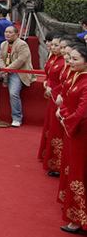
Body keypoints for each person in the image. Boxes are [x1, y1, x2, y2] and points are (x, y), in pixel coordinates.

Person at [57, 46, 87, 234]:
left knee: (79, 172)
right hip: (73, 130)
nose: (70, 61)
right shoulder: (78, 76)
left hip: (81, 133)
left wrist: (66, 119)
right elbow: (69, 100)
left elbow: (83, 110)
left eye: (75, 59)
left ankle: (78, 218)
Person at [39, 34, 66, 176]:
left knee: (57, 131)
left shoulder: (65, 62)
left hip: (58, 97)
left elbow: (65, 83)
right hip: (52, 94)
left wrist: (53, 90)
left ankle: (57, 163)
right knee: (50, 126)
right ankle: (48, 156)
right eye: (52, 44)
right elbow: (49, 75)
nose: (53, 47)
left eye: (58, 46)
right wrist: (47, 84)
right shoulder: (53, 56)